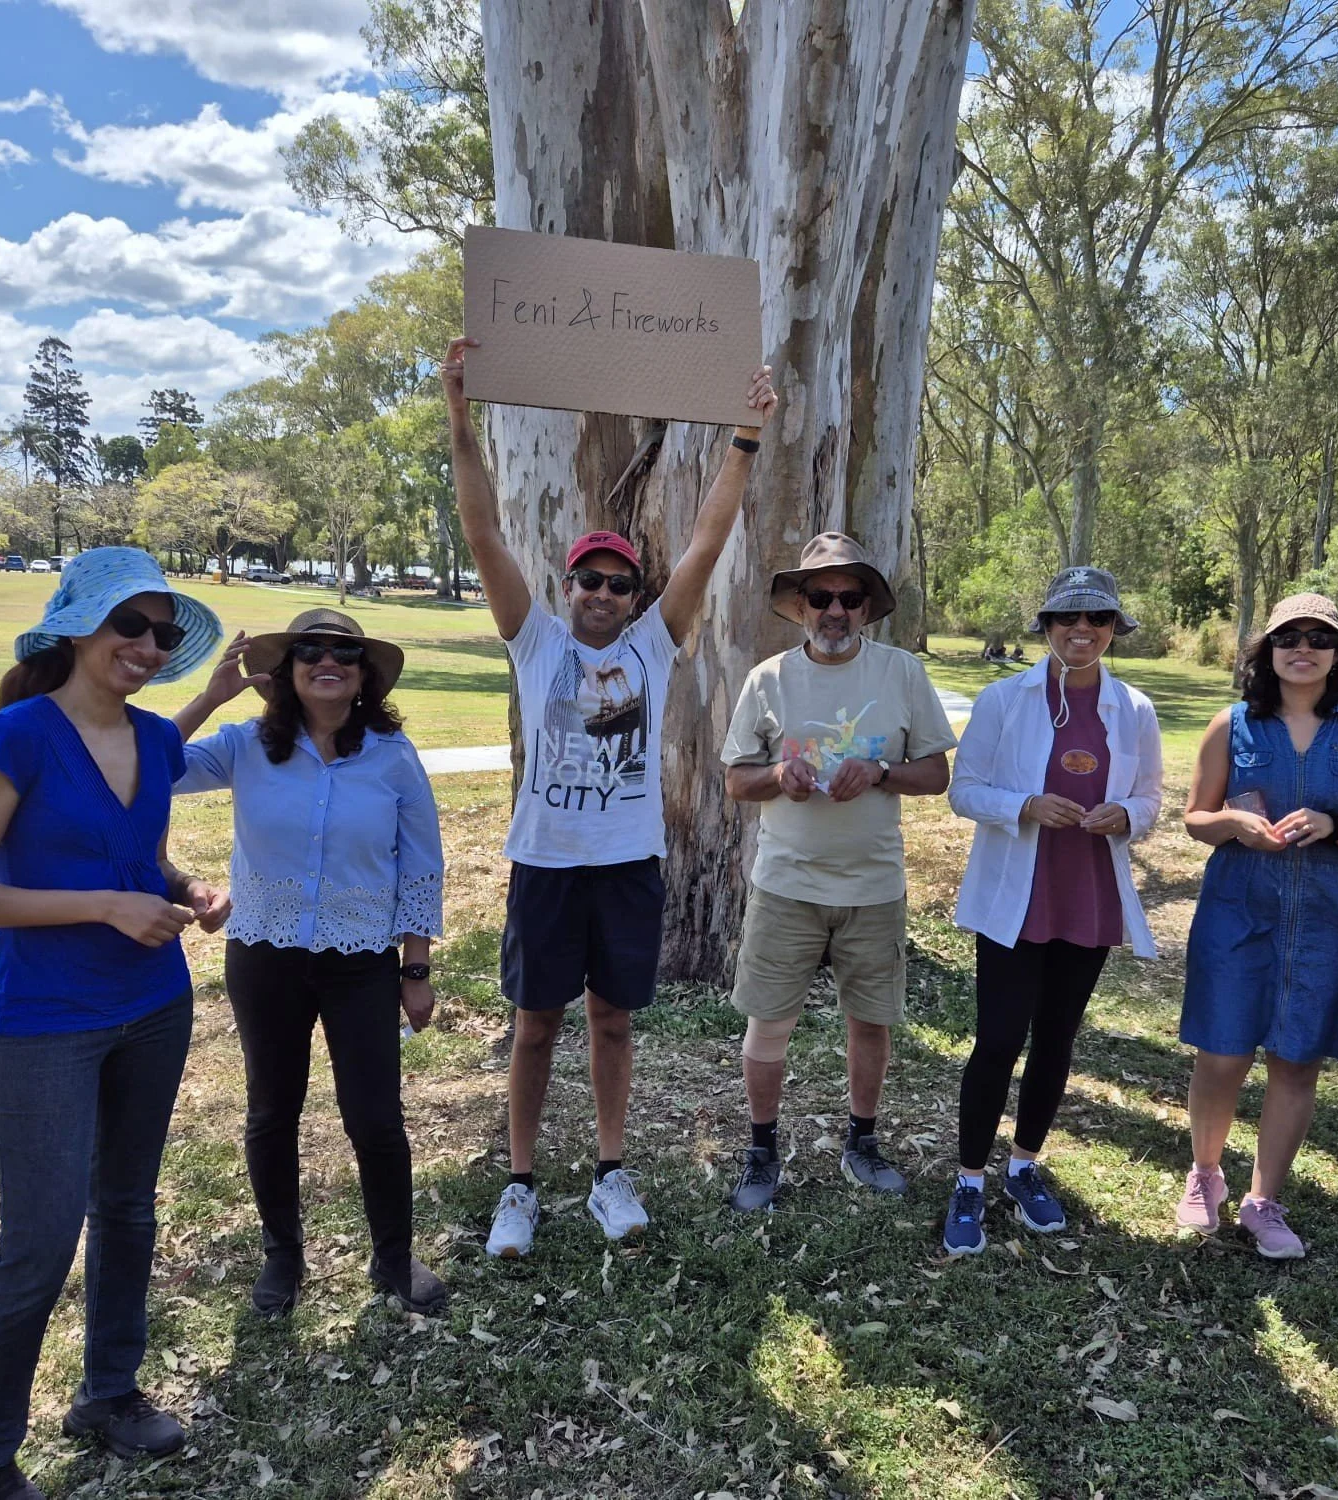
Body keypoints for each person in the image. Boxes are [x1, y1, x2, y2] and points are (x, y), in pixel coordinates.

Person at [441, 335, 778, 1259]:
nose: (600, 592)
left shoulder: (653, 647)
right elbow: (483, 532)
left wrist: (745, 437)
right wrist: (461, 414)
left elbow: (707, 542)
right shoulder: (536, 640)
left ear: (635, 596)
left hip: (627, 864)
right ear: (566, 586)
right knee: (534, 1026)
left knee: (613, 1021)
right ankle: (519, 1184)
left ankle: (609, 1172)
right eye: (587, 578)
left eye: (618, 583)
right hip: (546, 862)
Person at [0, 548, 227, 1500]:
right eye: (129, 624)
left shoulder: (153, 739)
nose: (147, 645)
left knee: (128, 1208)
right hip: (45, 1022)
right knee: (40, 1243)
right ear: (77, 626)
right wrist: (103, 906)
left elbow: (142, 857)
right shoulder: (14, 736)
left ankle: (109, 1394)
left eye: (161, 633)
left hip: (153, 1008)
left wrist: (188, 887)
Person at [171, 608, 448, 1316]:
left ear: (364, 675)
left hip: (362, 960)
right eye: (310, 651)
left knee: (375, 1117)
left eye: (345, 653)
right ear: (286, 671)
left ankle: (393, 1256)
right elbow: (149, 771)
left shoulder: (392, 755)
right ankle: (283, 1257)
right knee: (272, 1110)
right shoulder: (245, 745)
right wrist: (209, 699)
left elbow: (421, 865)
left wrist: (415, 969)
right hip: (265, 955)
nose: (328, 662)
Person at [721, 532, 959, 1209]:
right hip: (786, 884)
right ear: (799, 605)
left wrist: (880, 770)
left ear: (866, 608)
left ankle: (862, 1142)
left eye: (849, 598)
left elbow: (936, 773)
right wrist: (778, 776)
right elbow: (736, 780)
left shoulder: (901, 674)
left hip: (873, 886)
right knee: (769, 1023)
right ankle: (761, 1153)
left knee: (870, 1022)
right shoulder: (768, 679)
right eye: (821, 597)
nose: (835, 611)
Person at [1175, 594, 1338, 1259]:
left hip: (1325, 922)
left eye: (1319, 638)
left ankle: (1263, 1201)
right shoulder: (1232, 725)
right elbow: (1196, 818)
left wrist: (1335, 826)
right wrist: (1234, 823)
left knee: (1298, 1058)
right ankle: (1205, 1175)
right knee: (1222, 1053)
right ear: (1268, 651)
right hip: (1237, 913)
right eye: (1288, 637)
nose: (1303, 648)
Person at [942, 568, 1164, 1255]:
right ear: (1046, 627)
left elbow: (1152, 798)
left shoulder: (1134, 708)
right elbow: (963, 789)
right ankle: (969, 1181)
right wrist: (1026, 805)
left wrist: (1127, 814)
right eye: (1068, 618)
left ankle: (1024, 1167)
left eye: (1098, 618)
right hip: (1017, 895)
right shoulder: (1003, 699)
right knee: (998, 1040)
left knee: (1057, 1040)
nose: (1082, 630)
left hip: (1088, 894)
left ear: (1114, 628)